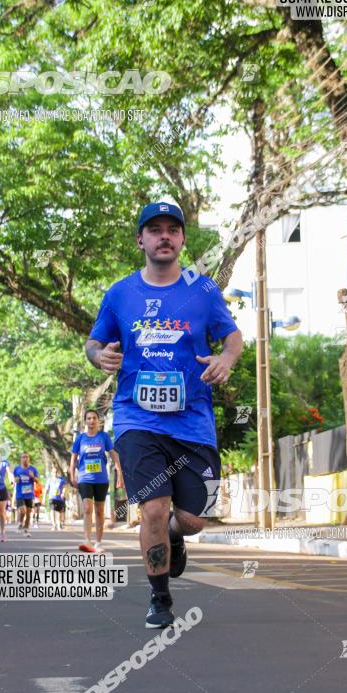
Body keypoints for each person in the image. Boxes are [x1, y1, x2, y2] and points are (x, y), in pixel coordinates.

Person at [85, 201, 242, 627]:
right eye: (154, 230)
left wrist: (226, 360)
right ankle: (159, 598)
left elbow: (233, 337)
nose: (164, 236)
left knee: (193, 518)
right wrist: (100, 356)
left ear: (183, 239)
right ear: (141, 240)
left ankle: (176, 536)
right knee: (153, 508)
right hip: (137, 418)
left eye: (173, 229)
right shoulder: (120, 294)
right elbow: (93, 343)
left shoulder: (202, 290)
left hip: (193, 420)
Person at [70, 410, 123, 552]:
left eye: (94, 418)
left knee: (99, 511)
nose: (92, 420)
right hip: (85, 478)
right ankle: (87, 540)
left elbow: (114, 455)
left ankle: (98, 542)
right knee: (88, 508)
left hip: (101, 479)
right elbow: (74, 459)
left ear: (98, 421)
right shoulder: (80, 439)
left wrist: (120, 473)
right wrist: (71, 475)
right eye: (89, 418)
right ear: (85, 421)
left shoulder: (104, 437)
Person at [13, 452, 39, 537]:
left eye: (26, 457)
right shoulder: (17, 469)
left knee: (28, 513)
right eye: (23, 457)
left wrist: (32, 477)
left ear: (29, 459)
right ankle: (20, 522)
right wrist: (16, 480)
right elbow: (15, 481)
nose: (25, 459)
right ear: (21, 459)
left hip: (29, 494)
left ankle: (26, 529)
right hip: (20, 494)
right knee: (23, 510)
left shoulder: (33, 469)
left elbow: (37, 481)